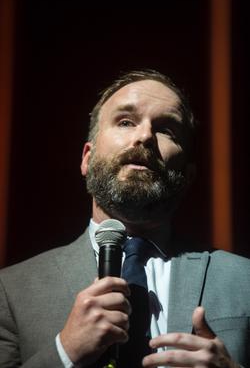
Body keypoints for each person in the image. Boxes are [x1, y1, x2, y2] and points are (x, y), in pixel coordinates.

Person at [0, 69, 249, 368]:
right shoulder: (12, 290)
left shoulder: (243, 279)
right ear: (87, 158)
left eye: (167, 129)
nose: (144, 136)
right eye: (126, 122)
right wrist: (65, 352)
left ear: (189, 174)